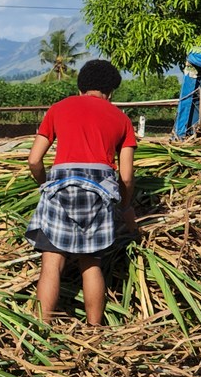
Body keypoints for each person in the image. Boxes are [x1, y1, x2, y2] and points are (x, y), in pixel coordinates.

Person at [25, 59, 138, 326]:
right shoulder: (122, 120)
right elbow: (126, 176)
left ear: (80, 88)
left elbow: (33, 160)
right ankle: (94, 333)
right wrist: (125, 208)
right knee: (91, 264)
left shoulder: (58, 109)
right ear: (110, 92)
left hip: (60, 187)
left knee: (51, 263)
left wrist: (45, 185)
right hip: (100, 192)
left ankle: (43, 330)